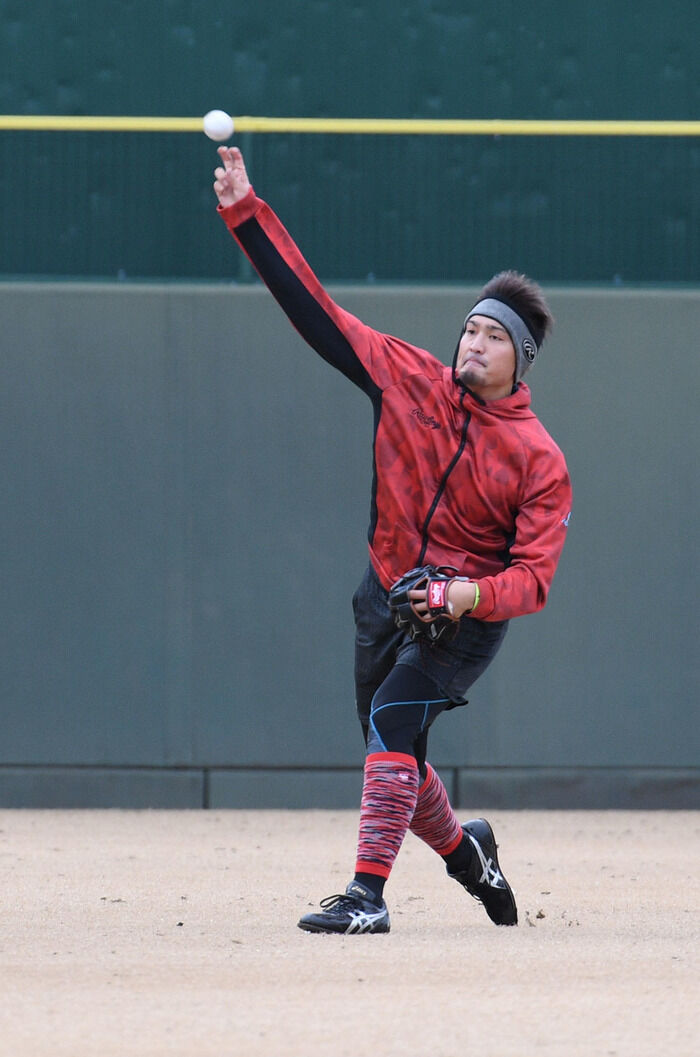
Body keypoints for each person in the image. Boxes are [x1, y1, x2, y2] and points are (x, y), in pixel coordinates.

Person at [213, 146, 572, 935]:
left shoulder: (538, 458)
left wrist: (461, 593)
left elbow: (534, 579)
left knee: (392, 725)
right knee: (392, 750)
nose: (473, 342)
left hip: (462, 619)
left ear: (522, 360)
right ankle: (469, 853)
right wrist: (246, 211)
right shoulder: (407, 378)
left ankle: (366, 897)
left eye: (493, 336)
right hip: (384, 592)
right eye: (470, 328)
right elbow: (318, 312)